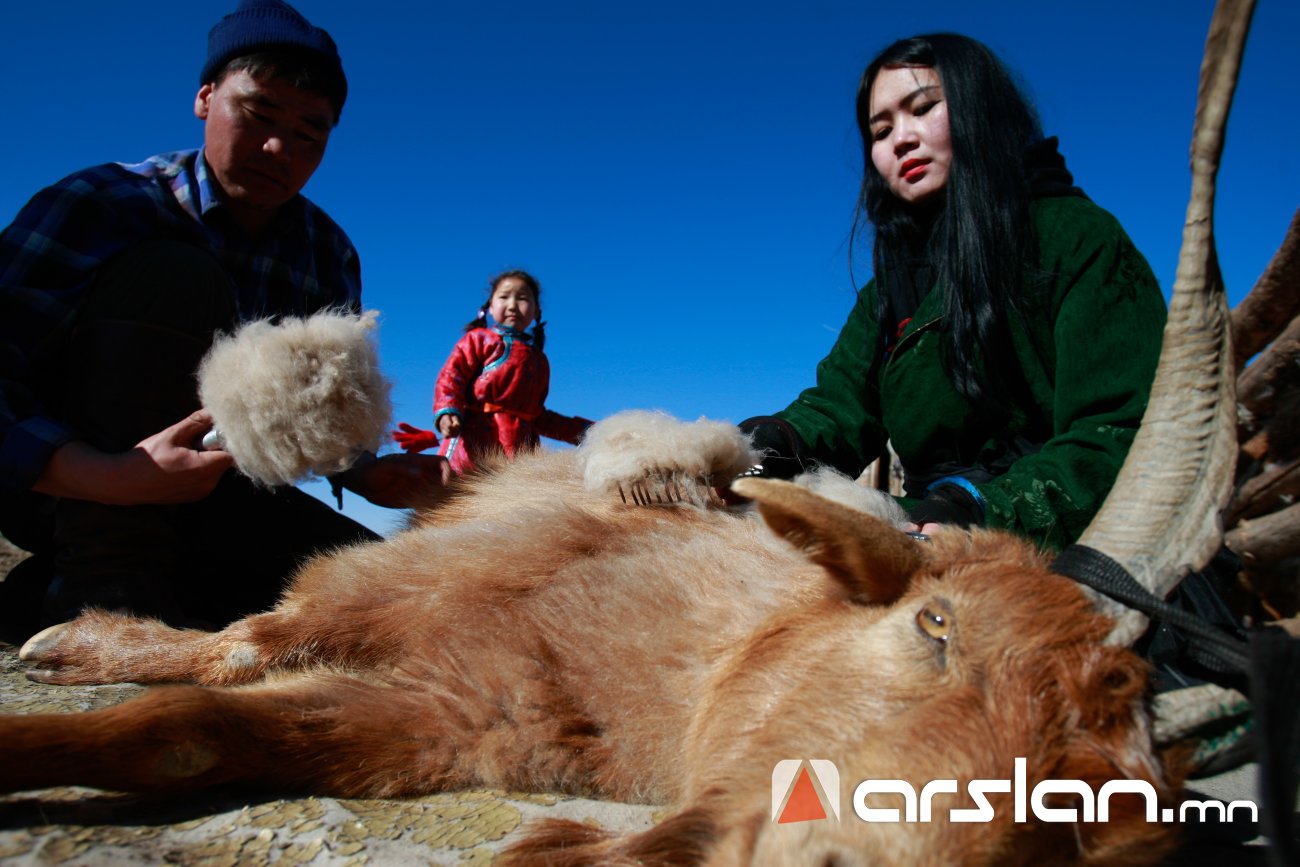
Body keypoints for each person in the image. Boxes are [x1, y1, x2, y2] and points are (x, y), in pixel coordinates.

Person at [0, 0, 448, 636]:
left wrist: (365, 468)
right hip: (63, 486)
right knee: (172, 272)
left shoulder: (327, 252)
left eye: (308, 134)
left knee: (381, 606)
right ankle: (105, 588)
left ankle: (48, 595)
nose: (277, 148)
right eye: (258, 113)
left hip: (213, 495)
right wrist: (100, 474)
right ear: (206, 98)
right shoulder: (102, 204)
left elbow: (315, 414)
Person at [740, 33, 1167, 552]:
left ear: (979, 108)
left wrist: (980, 507)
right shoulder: (888, 291)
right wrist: (772, 443)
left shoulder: (1076, 237)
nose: (900, 139)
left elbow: (1119, 427)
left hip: (1063, 535)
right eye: (880, 130)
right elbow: (841, 406)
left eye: (923, 108)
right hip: (921, 523)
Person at [392, 270, 592, 474]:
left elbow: (538, 416)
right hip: (473, 442)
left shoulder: (539, 360)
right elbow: (452, 377)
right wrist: (448, 410)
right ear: (489, 306)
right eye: (504, 297)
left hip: (521, 451)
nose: (513, 305)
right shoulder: (477, 339)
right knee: (459, 496)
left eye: (522, 298)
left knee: (517, 501)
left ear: (536, 311)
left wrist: (587, 431)